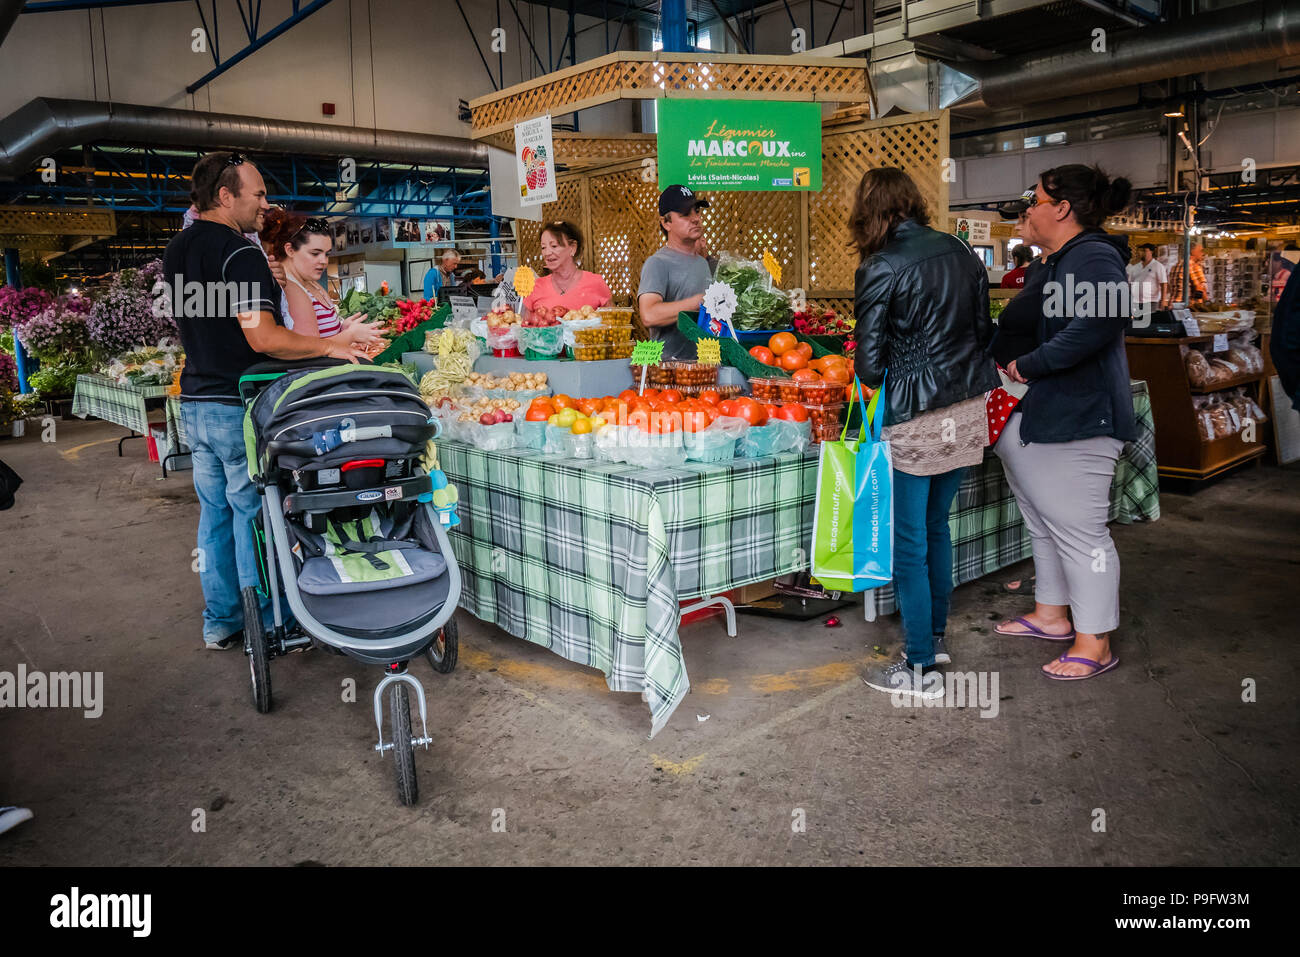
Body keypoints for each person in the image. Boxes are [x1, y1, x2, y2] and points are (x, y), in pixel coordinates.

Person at [164, 151, 368, 651]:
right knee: (255, 514)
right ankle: (270, 620)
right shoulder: (240, 254)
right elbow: (264, 338)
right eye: (257, 193)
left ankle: (222, 621)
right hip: (239, 403)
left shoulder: (177, 250)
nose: (265, 203)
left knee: (214, 515)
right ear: (225, 195)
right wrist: (328, 345)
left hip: (195, 402)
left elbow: (201, 323)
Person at [852, 167, 1000, 701]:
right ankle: (933, 640)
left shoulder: (881, 266)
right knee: (937, 527)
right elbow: (984, 333)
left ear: (869, 211)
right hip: (967, 407)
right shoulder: (962, 253)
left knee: (909, 543)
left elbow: (869, 367)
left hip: (915, 413)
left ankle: (920, 670)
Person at [993, 163, 1137, 681]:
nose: (1026, 210)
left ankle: (1094, 640)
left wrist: (1031, 365)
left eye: (1033, 200)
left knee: (1081, 534)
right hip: (1042, 415)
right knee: (1045, 525)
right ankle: (1052, 614)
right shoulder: (1052, 262)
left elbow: (1101, 322)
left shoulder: (1094, 255)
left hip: (1079, 417)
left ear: (1062, 208)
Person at [258, 208, 383, 351]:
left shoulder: (311, 283)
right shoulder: (291, 289)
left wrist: (342, 329)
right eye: (315, 253)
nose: (324, 261)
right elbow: (308, 350)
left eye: (327, 254)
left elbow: (322, 337)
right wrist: (350, 335)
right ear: (290, 250)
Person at [637, 185, 713, 361]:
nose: (695, 219)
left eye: (696, 211)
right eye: (685, 214)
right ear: (666, 223)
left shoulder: (702, 262)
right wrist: (697, 302)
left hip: (704, 368)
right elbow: (649, 315)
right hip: (669, 373)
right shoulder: (657, 263)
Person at [521, 220, 612, 318]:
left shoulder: (595, 282)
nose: (547, 253)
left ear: (572, 248)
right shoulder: (535, 287)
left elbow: (614, 325)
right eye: (543, 247)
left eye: (554, 246)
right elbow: (525, 328)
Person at [1127, 242, 1168, 312]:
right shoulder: (1135, 267)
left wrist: (1163, 300)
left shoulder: (1158, 266)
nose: (1141, 253)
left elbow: (1163, 284)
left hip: (1151, 301)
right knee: (1137, 322)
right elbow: (1130, 284)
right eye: (1140, 251)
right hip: (1136, 301)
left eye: (1144, 251)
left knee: (1150, 321)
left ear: (1151, 252)